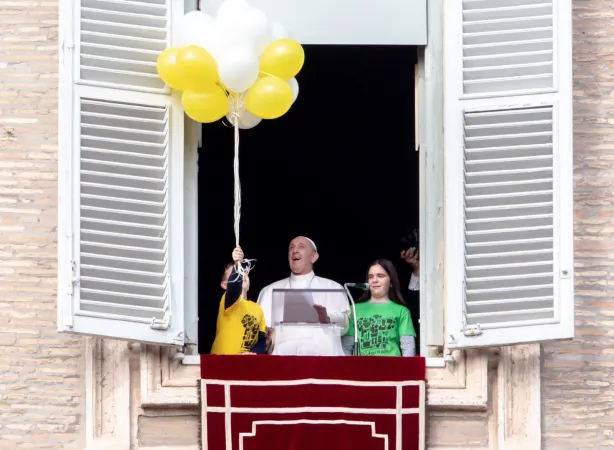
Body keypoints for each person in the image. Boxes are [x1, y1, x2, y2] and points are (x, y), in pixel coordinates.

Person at [257, 236, 350, 355]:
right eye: (291, 248)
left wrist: (327, 318)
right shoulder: (269, 291)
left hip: (324, 365)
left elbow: (345, 327)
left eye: (301, 247)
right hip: (284, 365)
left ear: (313, 256)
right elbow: (262, 335)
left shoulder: (333, 288)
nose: (295, 250)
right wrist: (267, 338)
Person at [342, 259, 416, 356]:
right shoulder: (354, 310)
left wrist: (403, 370)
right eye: (370, 277)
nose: (375, 280)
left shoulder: (401, 311)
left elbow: (408, 348)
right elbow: (346, 347)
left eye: (380, 276)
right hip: (361, 368)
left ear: (391, 282)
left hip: (392, 368)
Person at [210, 247, 267, 355]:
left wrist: (254, 353)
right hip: (222, 362)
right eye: (236, 272)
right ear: (224, 285)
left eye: (244, 272)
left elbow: (261, 340)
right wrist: (237, 263)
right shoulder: (228, 299)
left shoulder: (257, 309)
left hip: (244, 365)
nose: (242, 274)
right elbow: (234, 287)